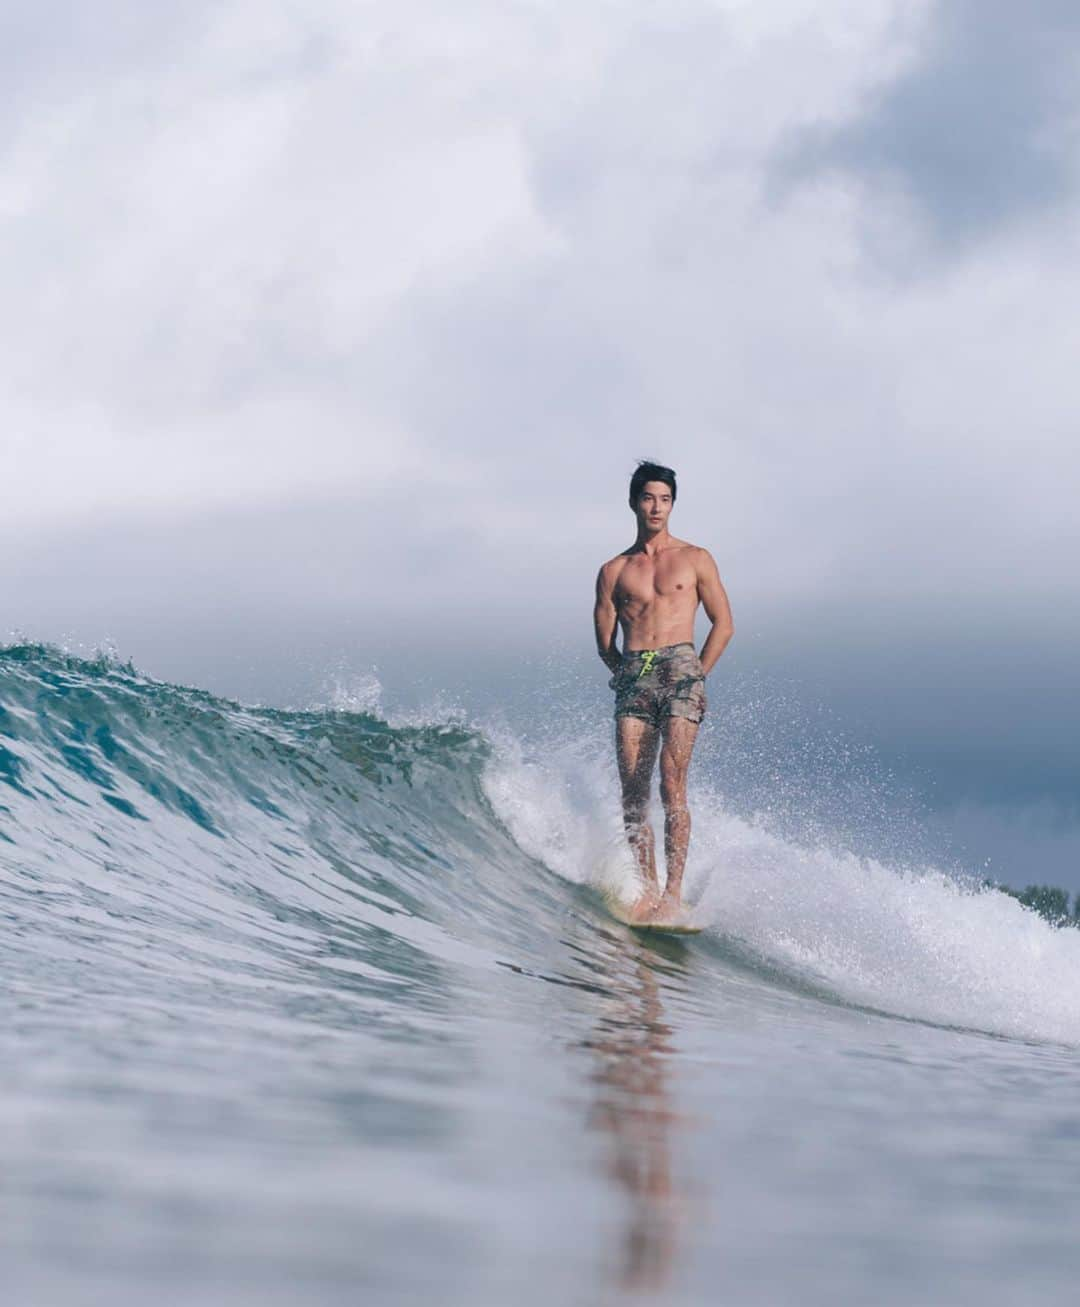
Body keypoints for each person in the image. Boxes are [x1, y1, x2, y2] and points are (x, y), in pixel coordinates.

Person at [593, 461, 734, 925]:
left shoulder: (696, 558)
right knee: (632, 792)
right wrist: (625, 671)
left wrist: (697, 675)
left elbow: (724, 625)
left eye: (665, 499)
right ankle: (645, 890)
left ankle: (673, 892)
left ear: (672, 504)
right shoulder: (614, 570)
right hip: (634, 673)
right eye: (650, 498)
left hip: (681, 670)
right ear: (635, 502)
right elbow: (603, 641)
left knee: (672, 786)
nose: (657, 507)